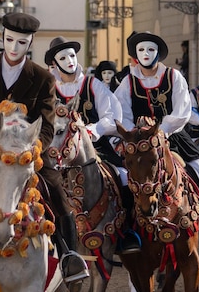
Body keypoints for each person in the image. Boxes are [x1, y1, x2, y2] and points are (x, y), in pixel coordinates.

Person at [0, 13, 89, 284]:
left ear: (30, 43)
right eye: (9, 40)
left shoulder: (43, 77)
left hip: (26, 152)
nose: (13, 48)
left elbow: (47, 125)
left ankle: (70, 255)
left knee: (57, 193)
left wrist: (29, 148)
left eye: (21, 43)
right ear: (2, 37)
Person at [114, 31, 199, 250]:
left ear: (158, 53)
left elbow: (182, 110)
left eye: (150, 49)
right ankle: (127, 232)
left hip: (173, 135)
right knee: (125, 179)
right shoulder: (128, 81)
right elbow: (122, 113)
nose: (146, 54)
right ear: (136, 54)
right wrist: (134, 132)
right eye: (141, 50)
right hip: (140, 142)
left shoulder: (173, 77)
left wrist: (163, 130)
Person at [44, 37, 138, 254]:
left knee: (123, 175)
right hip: (56, 147)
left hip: (94, 146)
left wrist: (91, 130)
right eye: (63, 57)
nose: (69, 61)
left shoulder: (92, 84)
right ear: (55, 64)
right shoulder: (49, 87)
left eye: (72, 56)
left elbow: (111, 115)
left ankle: (128, 231)